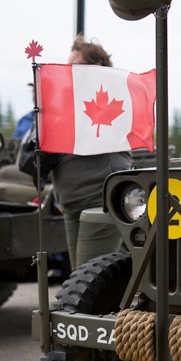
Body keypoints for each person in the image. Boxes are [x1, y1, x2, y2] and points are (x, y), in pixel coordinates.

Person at [51, 35, 131, 270]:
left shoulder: (106, 100)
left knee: (88, 280)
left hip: (98, 198)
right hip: (72, 201)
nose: (68, 71)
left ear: (95, 69)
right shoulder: (69, 103)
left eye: (74, 65)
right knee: (80, 277)